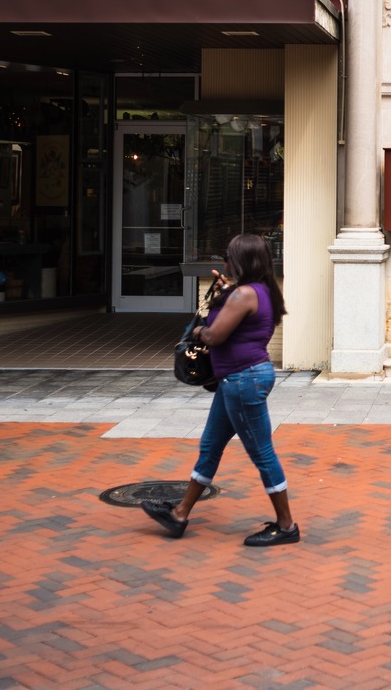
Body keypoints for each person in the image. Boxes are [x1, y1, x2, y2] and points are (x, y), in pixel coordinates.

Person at [140, 233, 300, 547]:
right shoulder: (259, 290)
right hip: (237, 380)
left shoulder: (244, 295)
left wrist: (200, 329)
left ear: (241, 260)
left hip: (244, 380)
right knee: (210, 446)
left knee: (262, 453)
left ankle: (286, 526)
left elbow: (214, 336)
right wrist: (223, 295)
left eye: (228, 256)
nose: (224, 261)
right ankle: (179, 514)